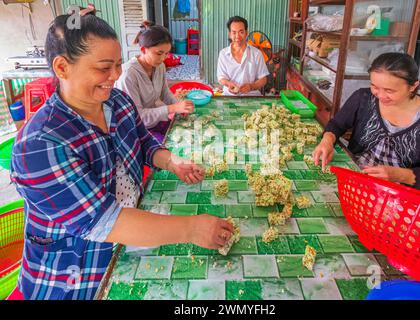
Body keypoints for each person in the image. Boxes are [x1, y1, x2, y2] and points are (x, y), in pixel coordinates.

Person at [10, 11, 233, 300]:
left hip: (131, 241)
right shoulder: (41, 145)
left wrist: (170, 161)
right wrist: (192, 228)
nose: (116, 76)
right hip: (75, 277)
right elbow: (105, 222)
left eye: (117, 64)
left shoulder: (116, 101)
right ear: (63, 67)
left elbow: (141, 142)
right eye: (104, 67)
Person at [313, 52, 420, 195]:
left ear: (413, 86)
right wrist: (327, 140)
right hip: (358, 176)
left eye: (389, 90)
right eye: (375, 86)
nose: (380, 95)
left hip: (403, 193)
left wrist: (399, 175)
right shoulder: (363, 98)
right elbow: (337, 124)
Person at [115, 21, 194, 142]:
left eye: (166, 53)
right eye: (159, 53)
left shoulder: (160, 66)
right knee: (168, 148)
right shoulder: (128, 75)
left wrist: (179, 107)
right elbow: (138, 117)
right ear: (143, 49)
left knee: (188, 134)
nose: (163, 58)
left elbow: (164, 92)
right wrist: (172, 108)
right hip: (136, 130)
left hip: (154, 121)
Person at [217, 16, 270, 96]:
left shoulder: (256, 54)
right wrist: (228, 84)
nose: (237, 36)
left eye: (241, 32)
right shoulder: (223, 54)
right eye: (234, 32)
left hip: (251, 95)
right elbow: (221, 77)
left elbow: (263, 79)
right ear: (230, 34)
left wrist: (251, 86)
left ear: (246, 33)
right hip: (229, 96)